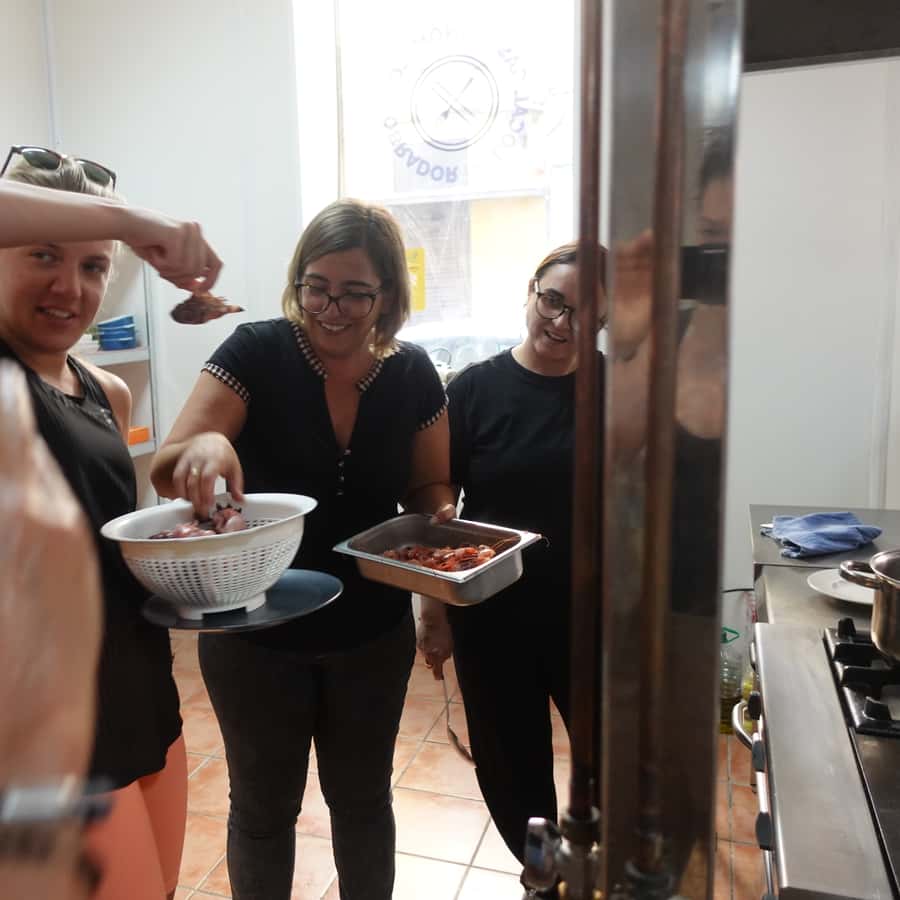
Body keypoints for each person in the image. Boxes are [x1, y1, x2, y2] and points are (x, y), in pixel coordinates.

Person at [150, 198, 455, 900]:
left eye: (355, 293)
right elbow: (169, 465)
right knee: (263, 811)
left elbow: (429, 483)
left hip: (371, 631)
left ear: (388, 296)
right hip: (254, 631)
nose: (332, 309)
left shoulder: (412, 374)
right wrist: (206, 445)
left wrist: (443, 519)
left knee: (363, 803)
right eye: (316, 287)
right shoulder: (255, 353)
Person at [0, 149, 199, 900]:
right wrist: (128, 218)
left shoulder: (106, 390)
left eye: (93, 266)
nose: (70, 287)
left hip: (142, 692)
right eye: (43, 254)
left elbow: (106, 545)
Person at [418, 242, 607, 890]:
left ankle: (595, 867)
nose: (561, 321)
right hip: (494, 617)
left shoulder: (620, 390)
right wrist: (433, 611)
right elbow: (439, 503)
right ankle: (543, 875)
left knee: (613, 763)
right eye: (553, 300)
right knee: (510, 768)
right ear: (531, 292)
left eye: (584, 312)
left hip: (594, 619)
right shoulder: (475, 390)